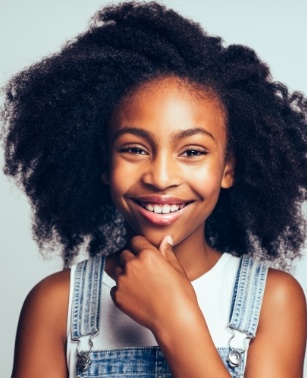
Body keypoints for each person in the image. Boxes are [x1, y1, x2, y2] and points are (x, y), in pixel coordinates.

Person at [2, 1, 307, 377]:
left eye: (192, 151)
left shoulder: (272, 300)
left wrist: (175, 319)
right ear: (104, 164)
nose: (160, 177)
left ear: (228, 168)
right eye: (134, 149)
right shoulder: (55, 305)